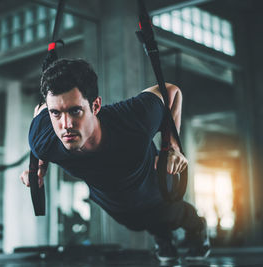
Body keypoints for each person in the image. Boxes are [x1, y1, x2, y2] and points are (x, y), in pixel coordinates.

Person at [20, 58, 210, 261]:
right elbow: (39, 112)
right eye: (56, 113)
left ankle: (197, 228)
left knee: (170, 214)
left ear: (95, 105)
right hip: (110, 197)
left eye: (75, 110)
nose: (65, 125)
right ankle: (162, 236)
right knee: (136, 223)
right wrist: (38, 167)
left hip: (149, 179)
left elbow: (171, 92)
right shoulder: (42, 139)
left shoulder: (134, 119)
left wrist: (171, 146)